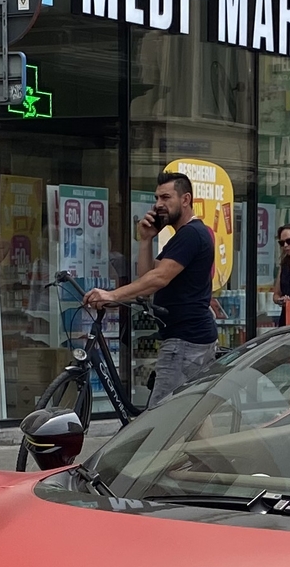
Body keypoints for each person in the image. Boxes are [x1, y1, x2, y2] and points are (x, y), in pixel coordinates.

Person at [86, 169, 223, 397]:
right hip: (188, 338)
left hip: (185, 341)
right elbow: (148, 275)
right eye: (157, 198)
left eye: (166, 198)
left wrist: (112, 295)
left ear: (185, 199)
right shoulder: (182, 237)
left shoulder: (192, 234)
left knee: (162, 416)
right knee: (188, 413)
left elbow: (159, 278)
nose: (159, 204)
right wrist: (146, 240)